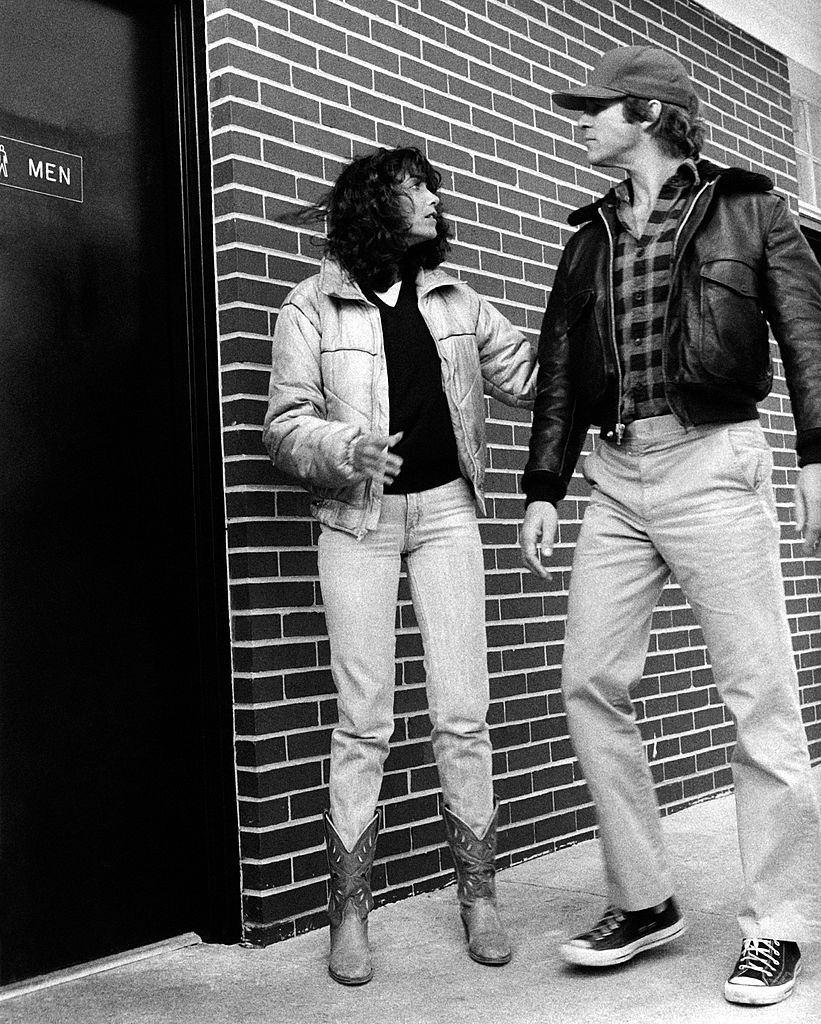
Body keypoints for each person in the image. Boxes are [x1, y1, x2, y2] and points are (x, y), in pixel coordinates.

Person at [519, 45, 821, 1006]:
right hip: (614, 474)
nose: (581, 122)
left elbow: (807, 332)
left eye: (595, 109)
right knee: (587, 682)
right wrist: (541, 485)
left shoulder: (749, 206)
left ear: (646, 113)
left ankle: (776, 925)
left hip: (711, 463)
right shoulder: (589, 235)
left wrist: (818, 452)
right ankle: (644, 900)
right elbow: (563, 366)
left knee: (756, 697)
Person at [263, 147, 536, 985]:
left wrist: (591, 344)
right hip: (358, 521)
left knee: (462, 713)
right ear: (375, 205)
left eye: (433, 190)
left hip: (449, 513)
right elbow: (283, 425)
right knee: (364, 721)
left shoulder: (455, 299)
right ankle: (349, 914)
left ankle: (478, 897)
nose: (433, 201)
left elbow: (528, 373)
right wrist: (347, 447)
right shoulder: (311, 305)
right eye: (416, 190)